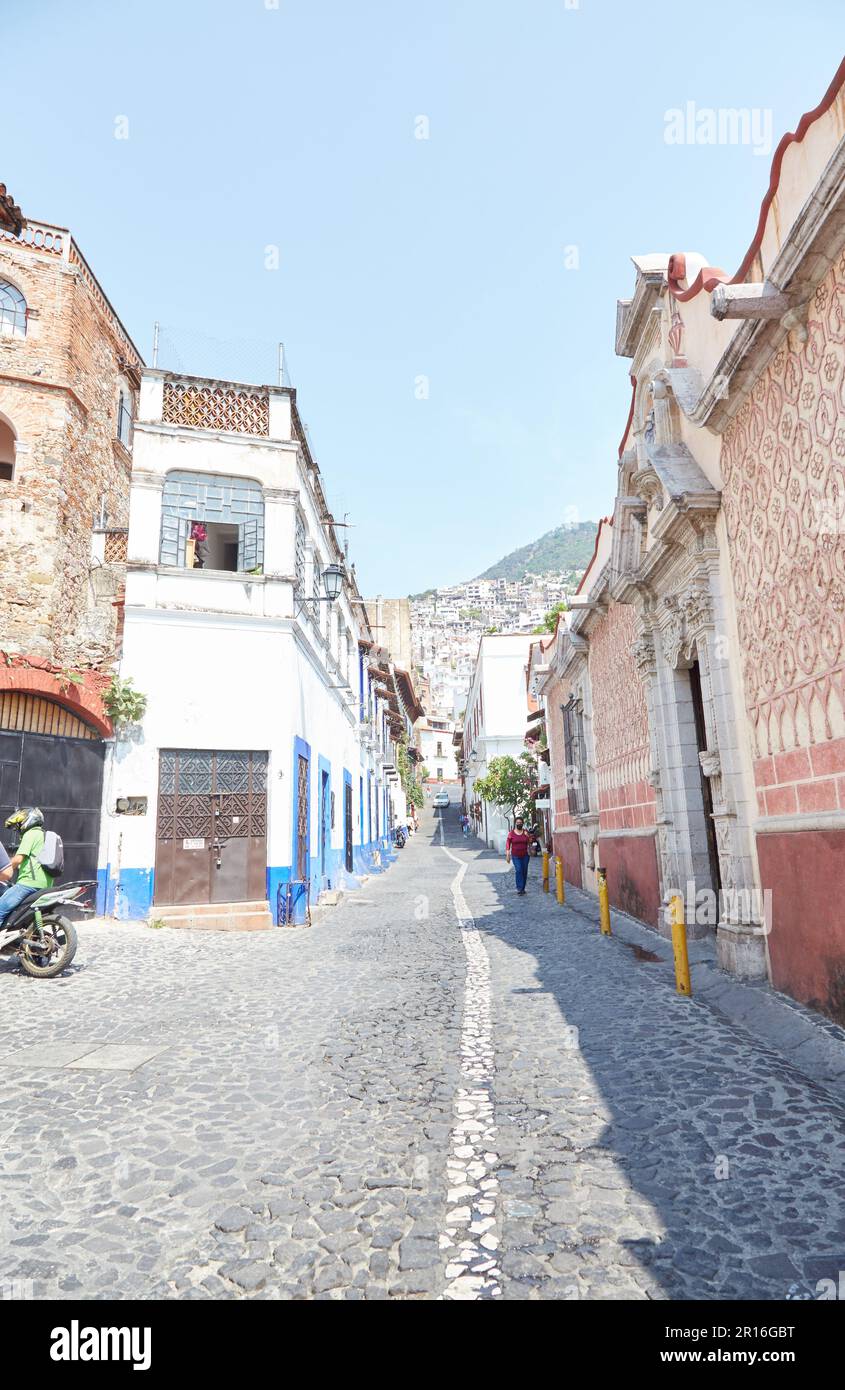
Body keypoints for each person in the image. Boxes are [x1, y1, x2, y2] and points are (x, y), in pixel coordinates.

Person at [0, 808, 52, 924]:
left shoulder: (31, 834)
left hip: (28, 884)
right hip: (45, 884)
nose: (17, 828)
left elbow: (18, 860)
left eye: (19, 824)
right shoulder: (43, 835)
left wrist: (5, 868)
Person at [505, 816, 532, 896]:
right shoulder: (511, 833)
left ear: (522, 823)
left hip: (525, 855)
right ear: (515, 824)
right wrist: (507, 854)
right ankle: (519, 888)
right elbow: (508, 843)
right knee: (519, 870)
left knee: (524, 871)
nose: (519, 824)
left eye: (520, 823)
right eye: (517, 823)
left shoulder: (525, 832)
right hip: (515, 856)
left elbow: (530, 842)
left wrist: (527, 836)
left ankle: (523, 888)